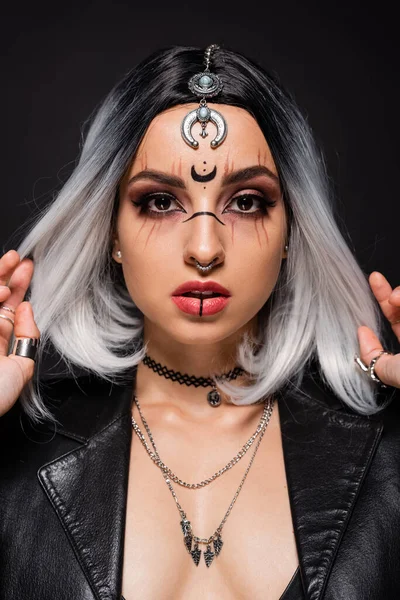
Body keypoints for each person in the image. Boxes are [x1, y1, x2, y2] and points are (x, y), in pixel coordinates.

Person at [0, 43, 399, 600]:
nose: (205, 248)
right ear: (110, 231)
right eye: (161, 202)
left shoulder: (386, 448)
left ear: (291, 232)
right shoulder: (17, 446)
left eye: (247, 202)